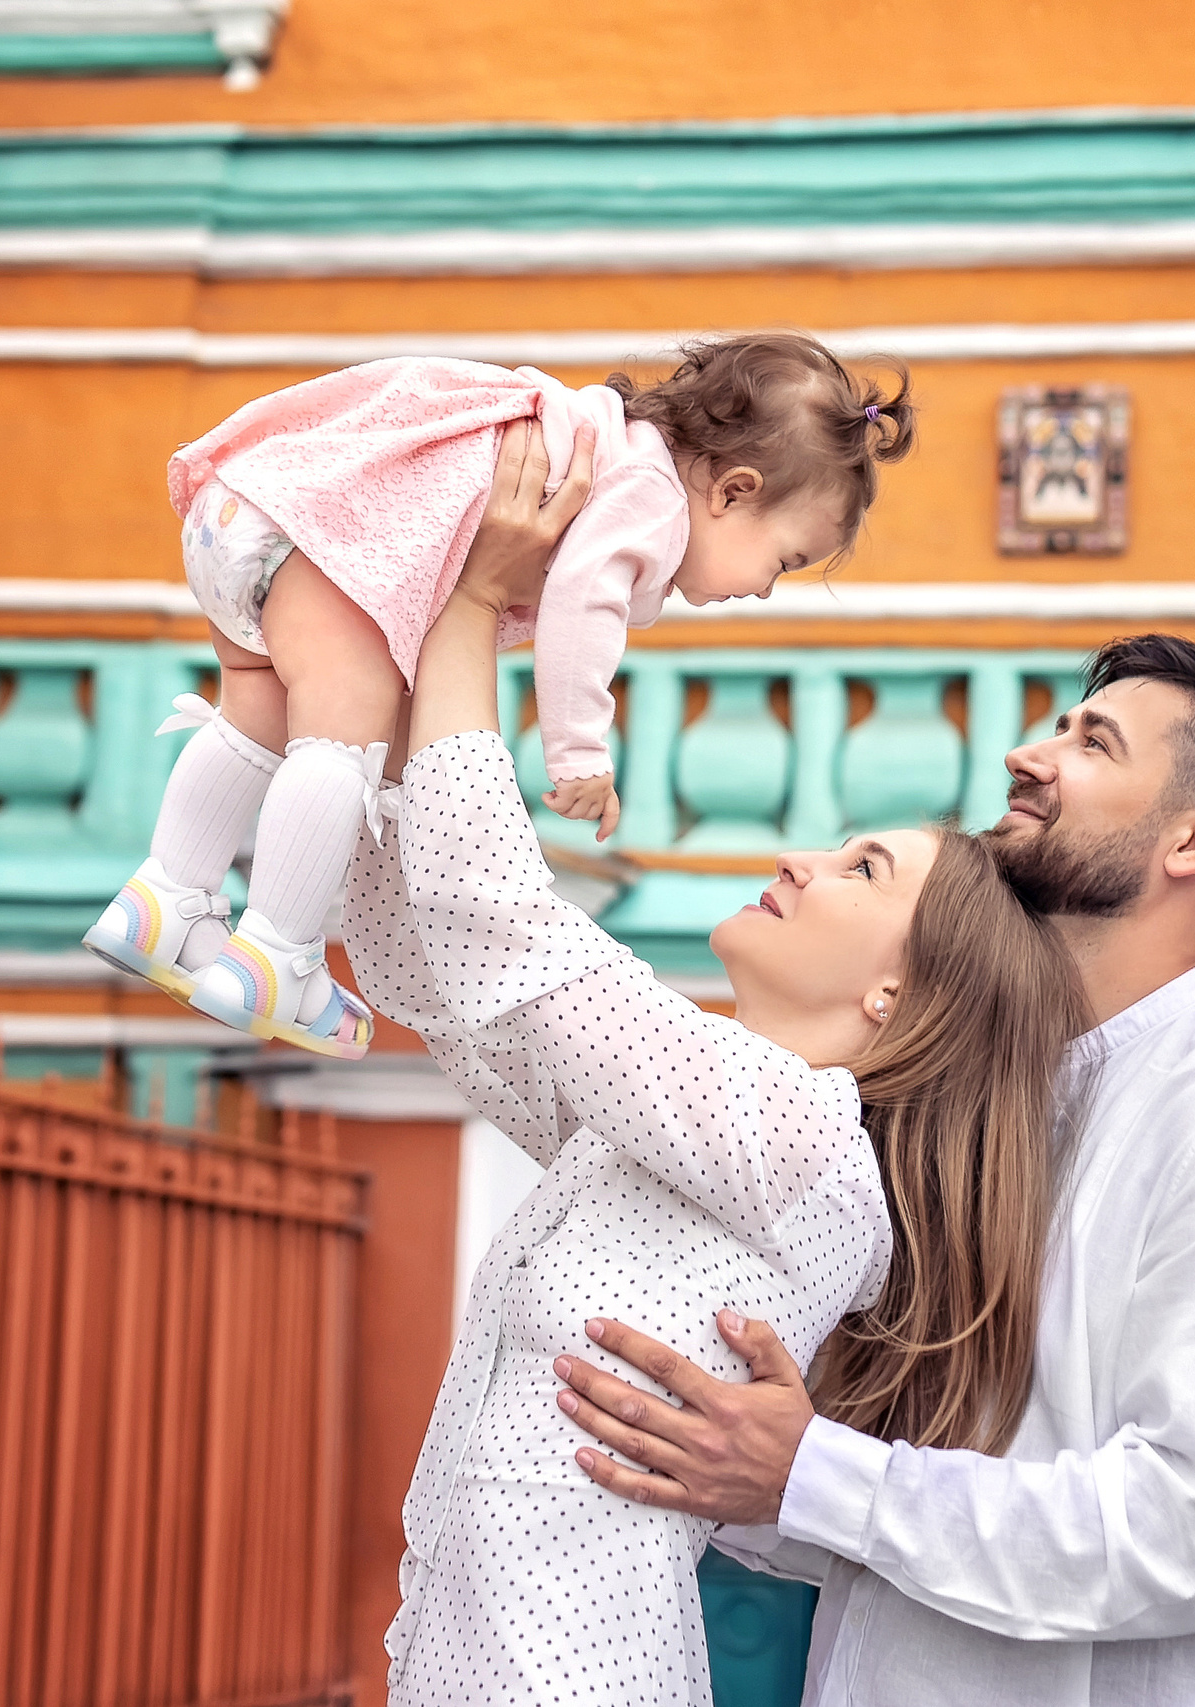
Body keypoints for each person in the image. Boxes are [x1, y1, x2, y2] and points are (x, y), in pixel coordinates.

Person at [334, 424, 1090, 1706]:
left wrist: (467, 610)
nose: (799, 860)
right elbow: (443, 980)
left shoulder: (788, 1131)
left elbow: (497, 925)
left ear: (899, 991)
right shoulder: (688, 1126)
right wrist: (353, 719)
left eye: (859, 870)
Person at [552, 628, 1195, 1705]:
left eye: (1093, 743)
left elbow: (1188, 1535)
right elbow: (909, 1505)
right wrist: (737, 1462)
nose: (1025, 755)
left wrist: (816, 1472)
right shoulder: (997, 1096)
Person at [83, 334, 914, 1058]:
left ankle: (164, 901)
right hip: (327, 543)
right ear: (732, 490)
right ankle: (276, 953)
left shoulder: (603, 443)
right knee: (340, 736)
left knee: (254, 718)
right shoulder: (649, 498)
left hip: (245, 515)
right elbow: (582, 607)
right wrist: (580, 752)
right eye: (784, 561)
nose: (766, 588)